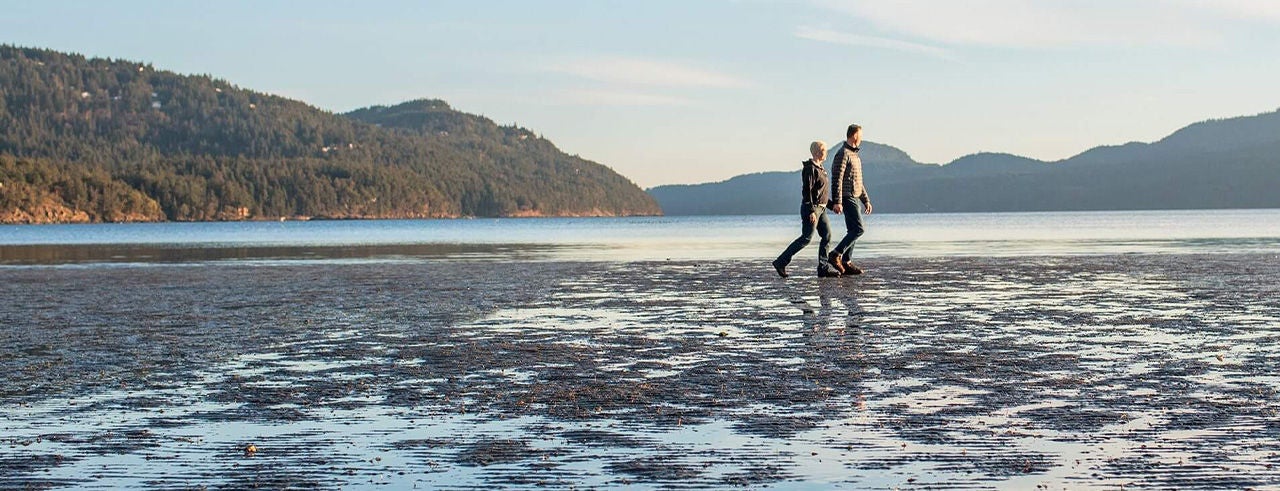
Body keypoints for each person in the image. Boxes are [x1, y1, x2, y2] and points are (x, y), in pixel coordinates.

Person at [772, 141, 841, 278]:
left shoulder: (821, 168)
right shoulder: (810, 169)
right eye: (823, 150)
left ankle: (823, 268)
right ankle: (781, 262)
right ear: (816, 152)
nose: (826, 152)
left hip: (821, 209)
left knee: (827, 236)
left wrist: (832, 205)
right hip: (812, 209)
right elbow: (807, 191)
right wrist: (810, 210)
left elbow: (821, 193)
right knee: (807, 238)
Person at [827, 124, 873, 275]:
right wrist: (837, 201)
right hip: (847, 197)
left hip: (855, 196)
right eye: (861, 134)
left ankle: (846, 262)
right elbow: (836, 178)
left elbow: (859, 181)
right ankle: (836, 254)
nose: (862, 138)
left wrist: (866, 200)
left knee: (852, 230)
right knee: (859, 229)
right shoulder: (843, 153)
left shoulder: (855, 156)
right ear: (854, 135)